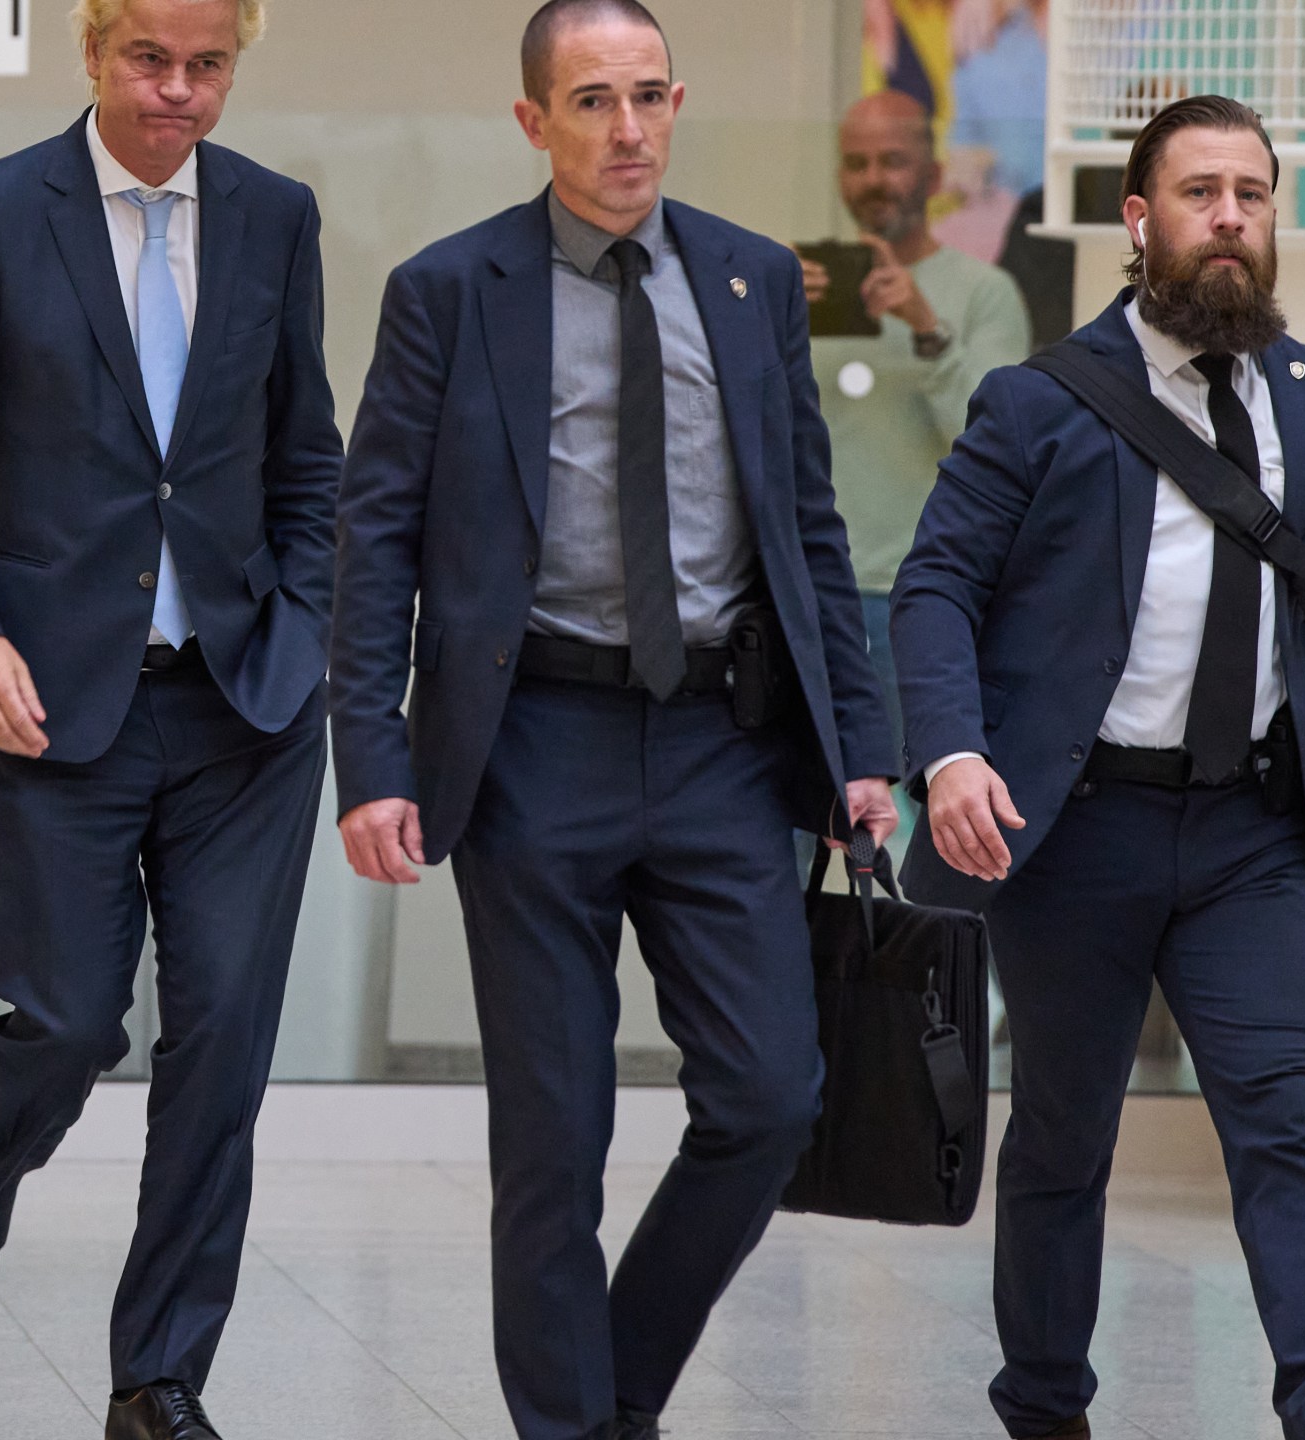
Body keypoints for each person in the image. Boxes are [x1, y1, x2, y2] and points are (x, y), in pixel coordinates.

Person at [330, 4, 897, 1438]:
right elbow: (372, 542)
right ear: (534, 121)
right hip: (532, 749)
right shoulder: (451, 291)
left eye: (648, 96)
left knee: (773, 1097)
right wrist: (372, 760)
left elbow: (811, 538)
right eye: (592, 101)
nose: (627, 129)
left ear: (677, 99)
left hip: (721, 741)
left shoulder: (759, 283)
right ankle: (571, 1425)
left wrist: (865, 746)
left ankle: (615, 1386)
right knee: (552, 1144)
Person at [893, 95, 1305, 1440]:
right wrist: (952, 754)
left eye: (1251, 195)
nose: (1229, 221)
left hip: (1257, 835)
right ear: (1142, 222)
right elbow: (934, 588)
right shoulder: (1038, 405)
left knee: (1282, 1120)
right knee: (1066, 1137)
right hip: (1075, 831)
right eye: (1200, 194)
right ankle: (1043, 1407)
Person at [0, 0, 340, 1435]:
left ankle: (159, 1378)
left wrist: (306, 633)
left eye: (208, 67)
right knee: (69, 1024)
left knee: (221, 1046)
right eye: (152, 61)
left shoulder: (275, 217)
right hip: (55, 706)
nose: (179, 94)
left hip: (245, 711)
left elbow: (304, 455)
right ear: (92, 51)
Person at [805, 89, 1027, 783]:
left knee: (912, 825)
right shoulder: (791, 292)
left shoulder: (984, 293)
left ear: (932, 177)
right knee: (788, 820)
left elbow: (997, 450)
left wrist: (927, 326)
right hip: (808, 593)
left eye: (893, 161)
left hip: (921, 601)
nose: (874, 179)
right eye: (857, 162)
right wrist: (756, 311)